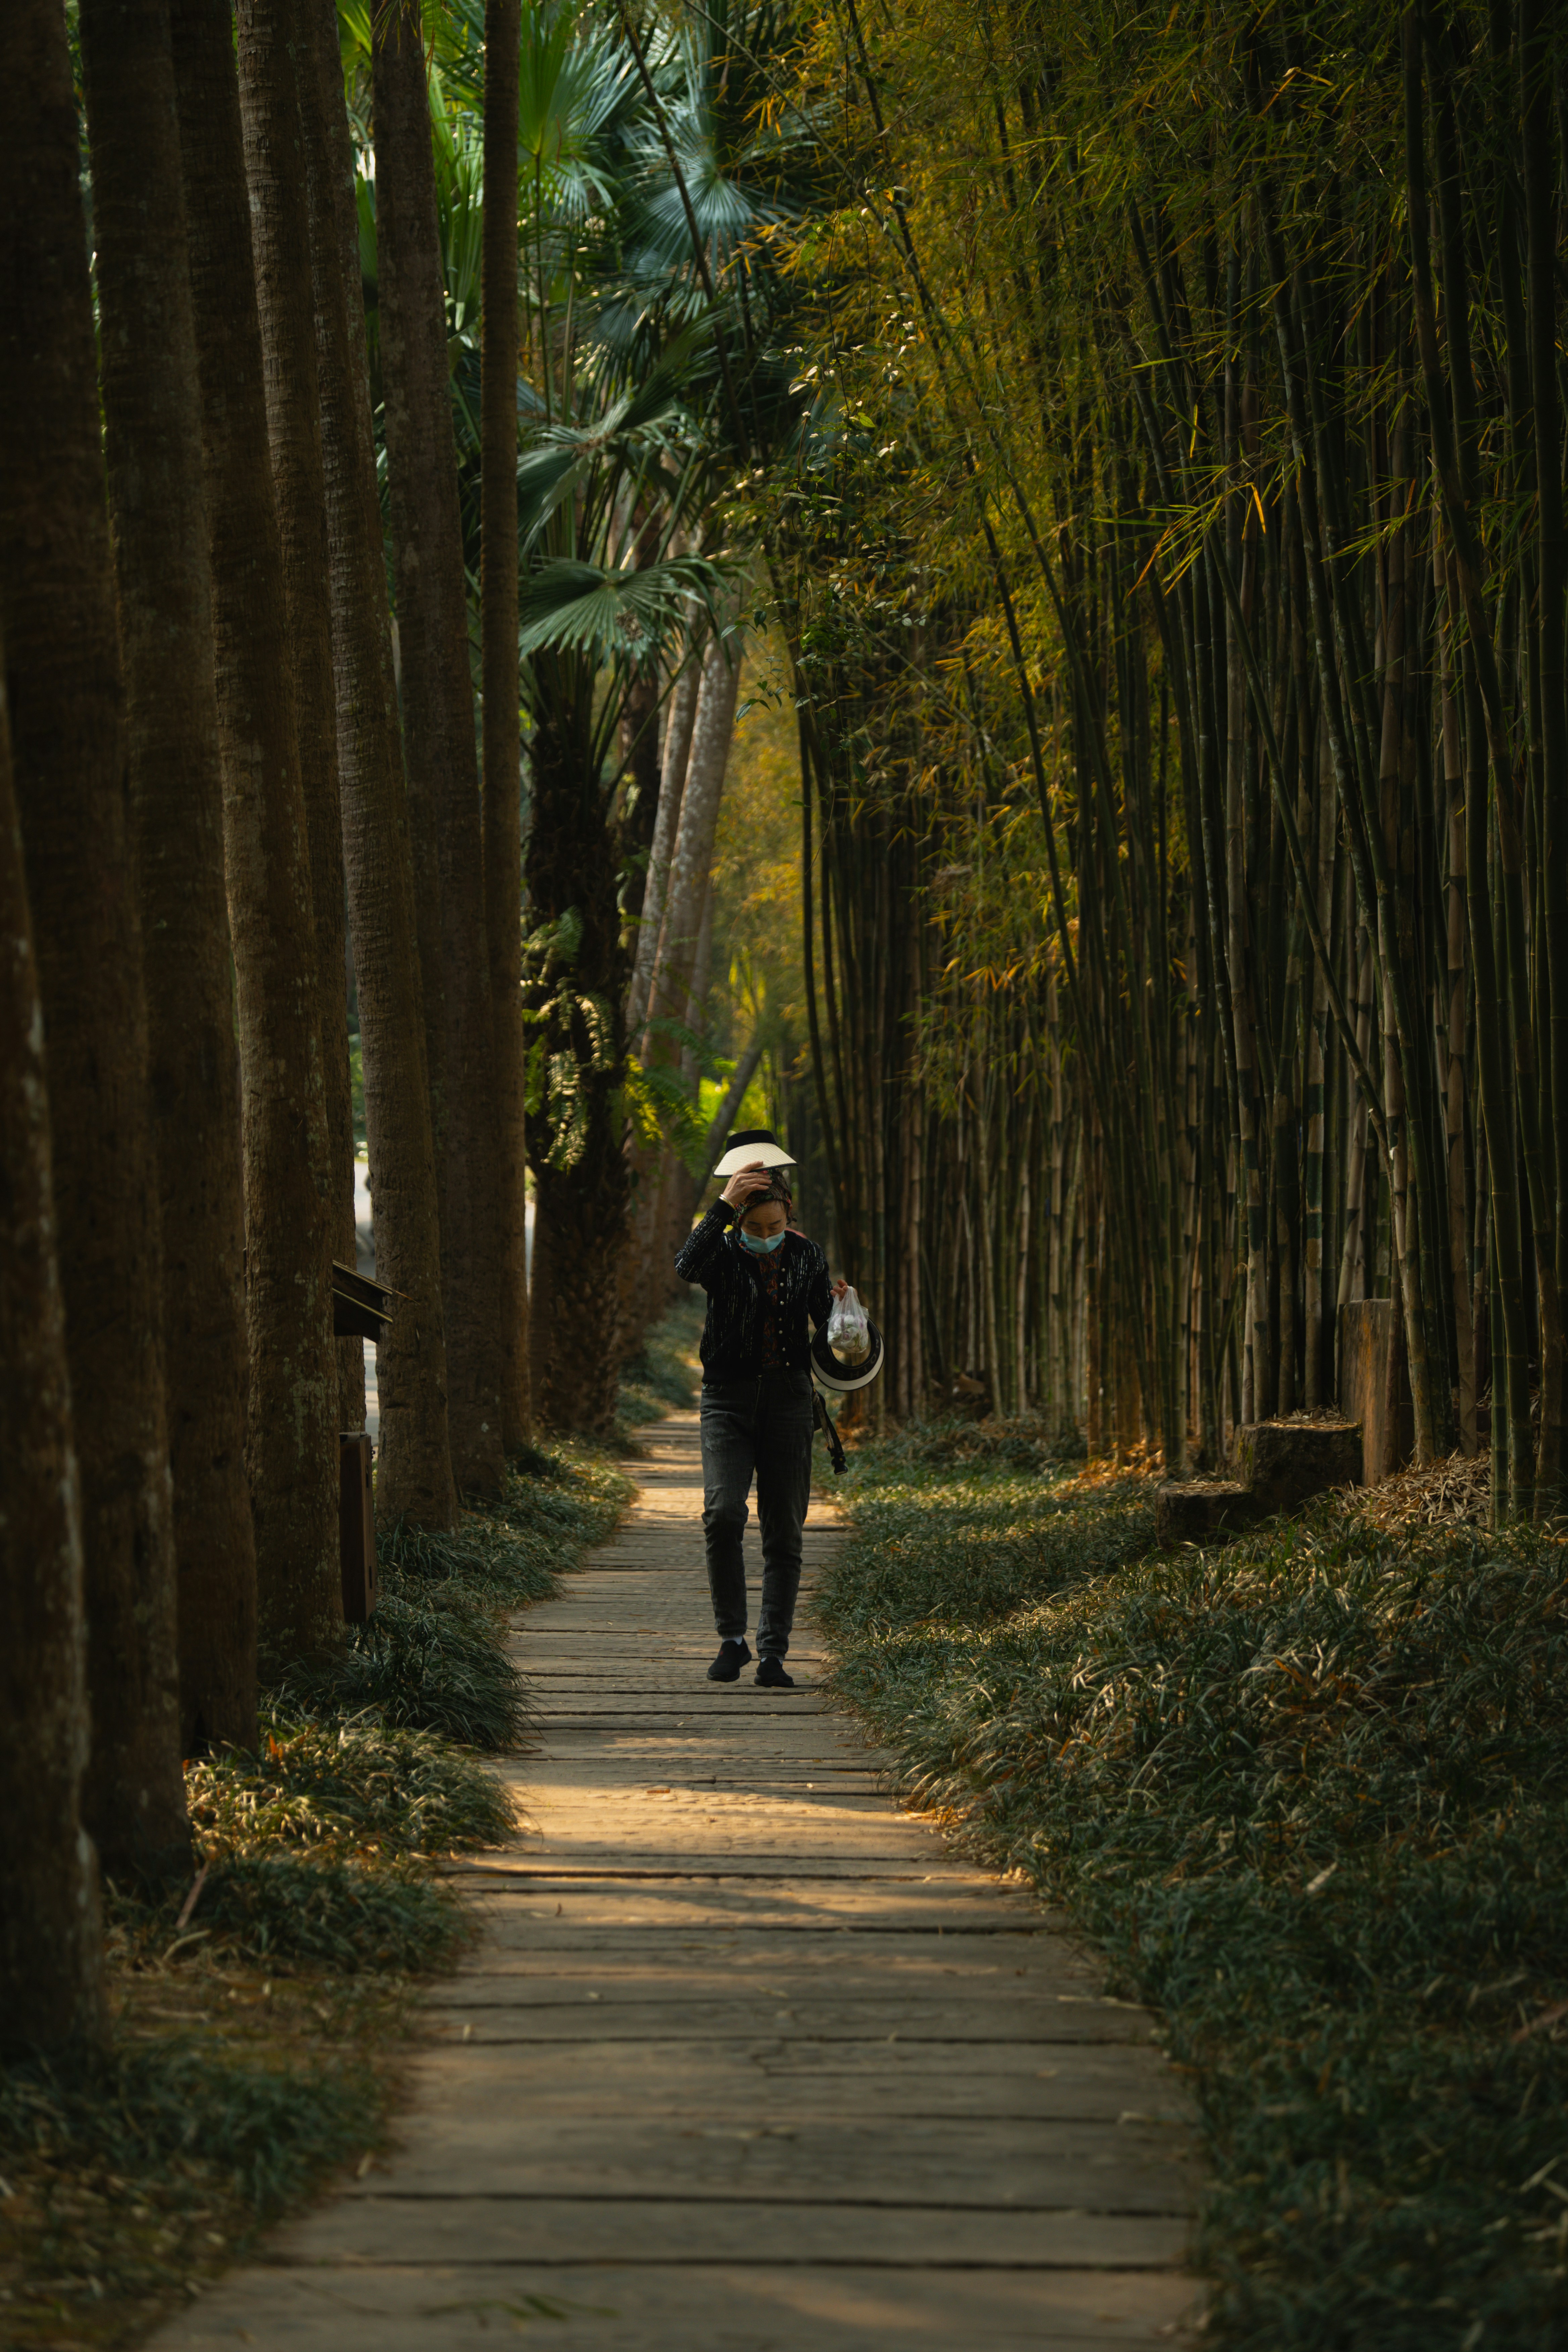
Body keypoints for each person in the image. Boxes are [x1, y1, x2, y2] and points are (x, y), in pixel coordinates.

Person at [674, 1131, 847, 1688]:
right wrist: (722, 1206)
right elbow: (685, 1265)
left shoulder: (807, 1255)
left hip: (790, 1402)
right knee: (723, 1514)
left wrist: (846, 1313)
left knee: (784, 1532)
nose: (768, 1238)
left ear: (788, 1215)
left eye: (776, 1227)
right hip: (726, 1401)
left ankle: (773, 1652)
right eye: (756, 1229)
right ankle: (732, 1639)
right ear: (739, 1222)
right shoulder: (720, 1252)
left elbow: (829, 1330)